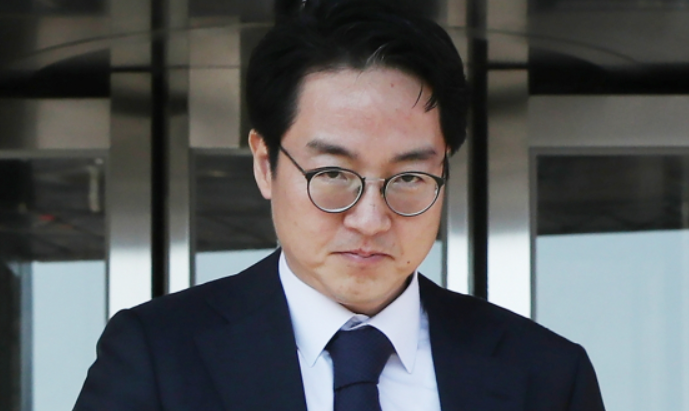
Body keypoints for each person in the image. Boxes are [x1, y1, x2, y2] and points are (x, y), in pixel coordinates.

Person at [74, 0, 606, 410]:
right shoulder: (158, 357)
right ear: (265, 163)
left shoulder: (545, 376)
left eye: (409, 177)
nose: (371, 219)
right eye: (332, 174)